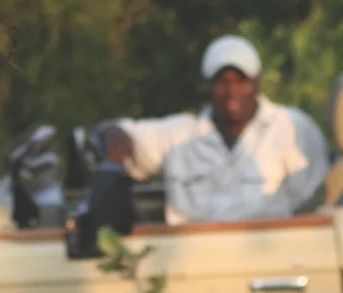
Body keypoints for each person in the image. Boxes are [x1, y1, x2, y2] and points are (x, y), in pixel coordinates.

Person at [93, 35, 329, 225]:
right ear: (208, 85)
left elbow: (314, 206)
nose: (231, 91)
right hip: (193, 264)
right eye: (222, 82)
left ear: (256, 82)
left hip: (269, 262)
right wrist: (113, 138)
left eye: (241, 81)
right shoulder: (181, 134)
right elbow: (117, 133)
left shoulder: (292, 127)